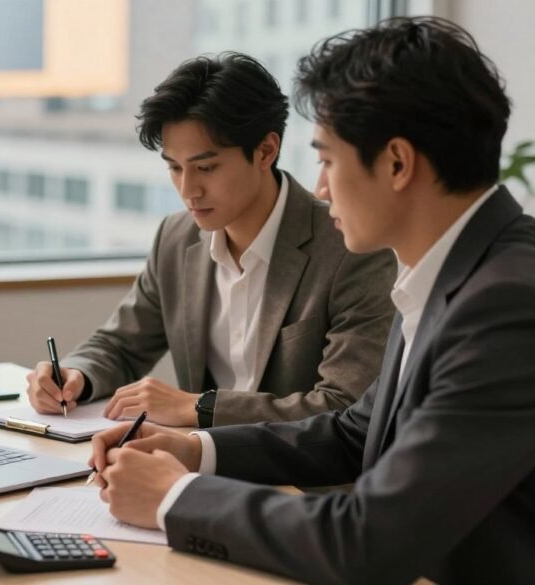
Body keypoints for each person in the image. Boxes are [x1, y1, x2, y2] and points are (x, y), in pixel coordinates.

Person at [90, 17, 535, 585]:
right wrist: (193, 449)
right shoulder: (451, 272)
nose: (320, 188)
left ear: (397, 163)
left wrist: (174, 498)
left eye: (327, 160)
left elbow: (368, 540)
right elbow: (354, 432)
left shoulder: (506, 305)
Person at [26, 53, 396, 427]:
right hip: (195, 463)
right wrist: (76, 375)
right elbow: (120, 346)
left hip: (297, 479)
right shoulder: (176, 238)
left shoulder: (350, 248)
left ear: (266, 150)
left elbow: (343, 405)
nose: (188, 190)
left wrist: (199, 407)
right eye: (174, 168)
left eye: (206, 167)